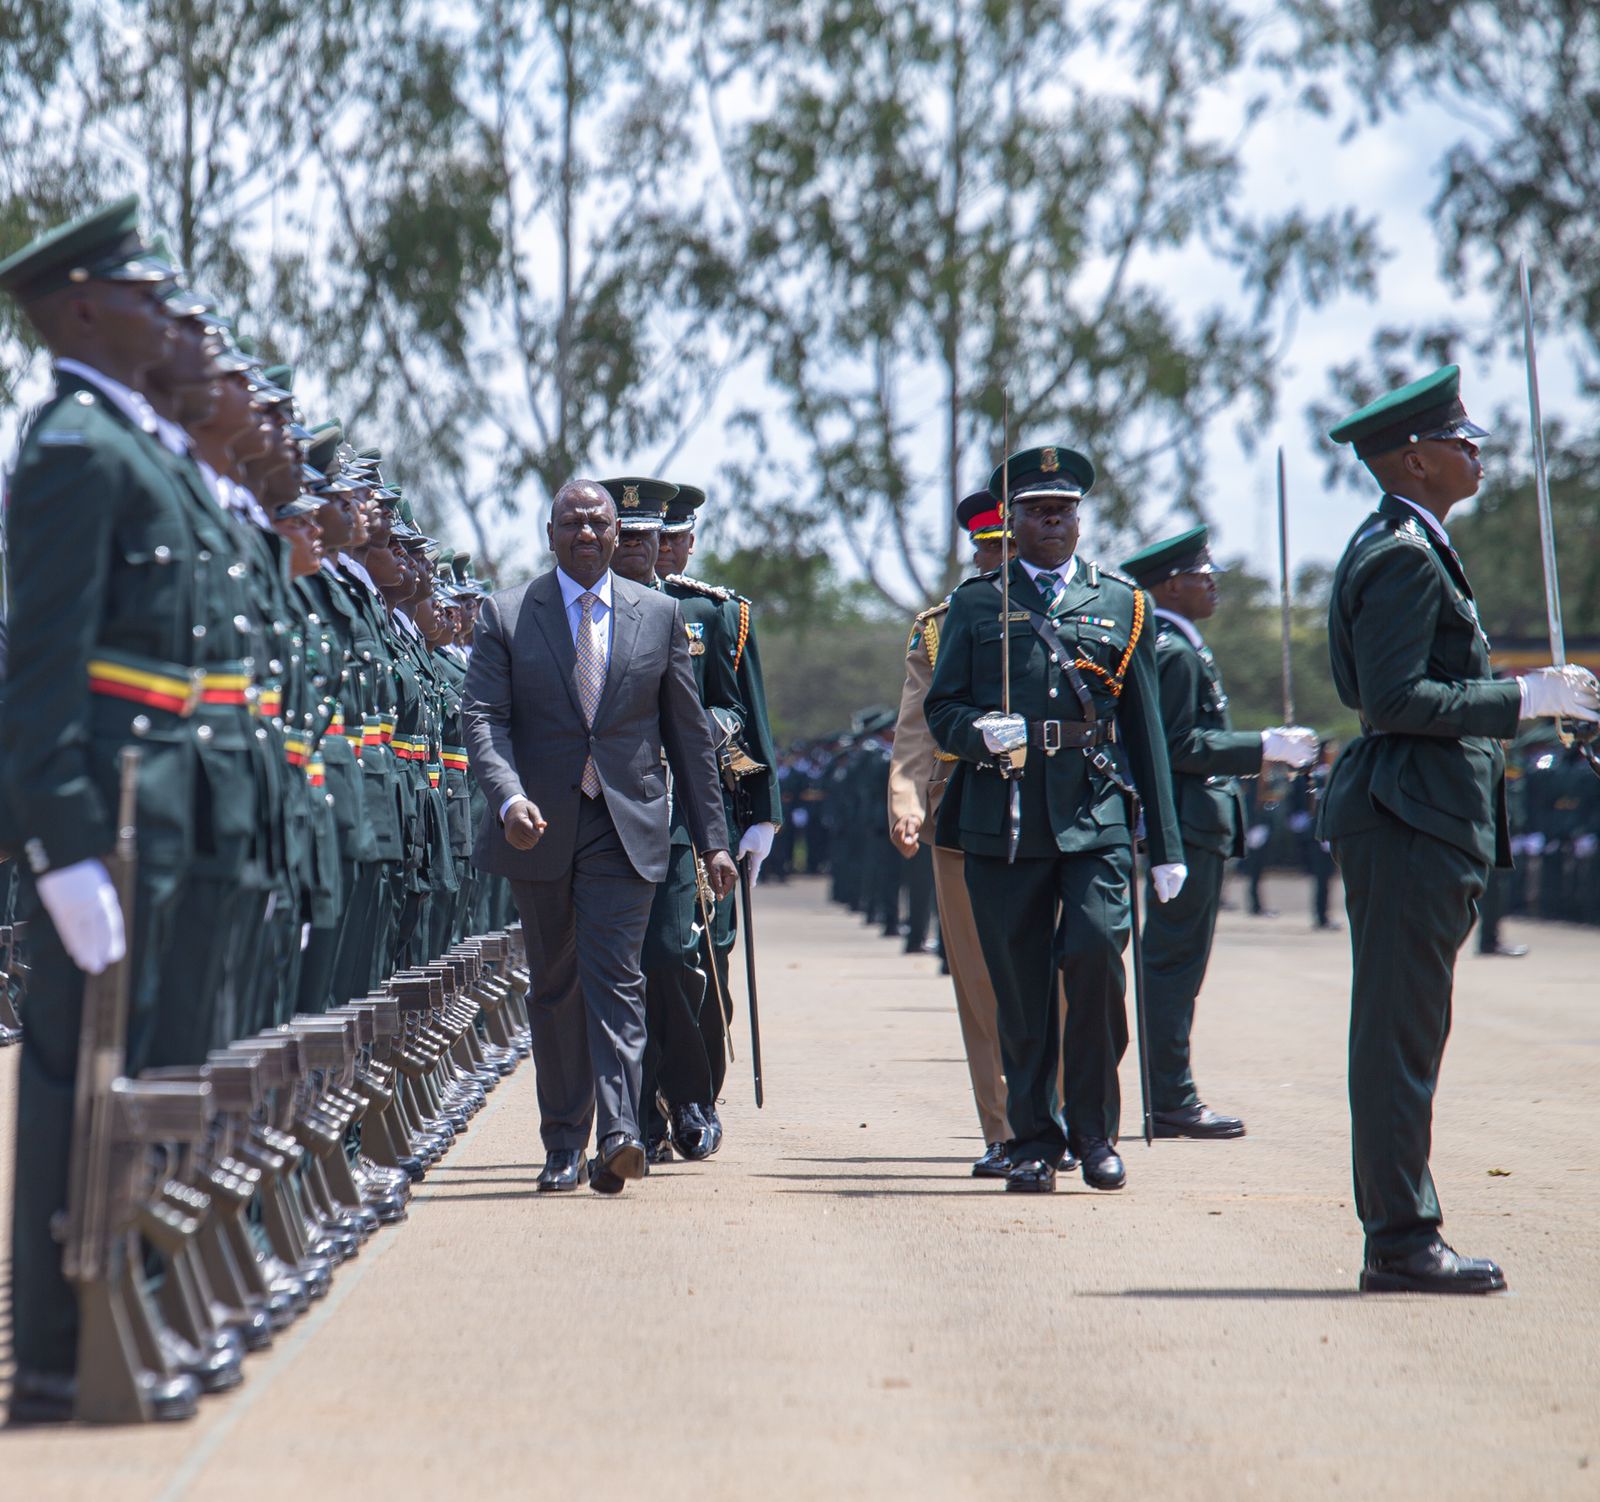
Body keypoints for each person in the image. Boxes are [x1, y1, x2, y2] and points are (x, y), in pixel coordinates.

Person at [0, 196, 251, 1423]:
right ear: (87, 307)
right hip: (108, 810)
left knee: (145, 1067)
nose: (166, 314)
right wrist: (58, 845)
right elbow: (39, 669)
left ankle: (130, 1301)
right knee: (77, 1074)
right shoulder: (74, 450)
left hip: (163, 805)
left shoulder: (134, 446)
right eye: (145, 296)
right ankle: (59, 1346)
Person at [1320, 363, 1600, 1293]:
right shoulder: (1402, 554)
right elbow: (1394, 699)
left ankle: (1400, 1228)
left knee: (1407, 1033)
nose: (1477, 454)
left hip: (1421, 813)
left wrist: (1532, 701)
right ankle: (1400, 1238)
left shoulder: (1411, 543)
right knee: (1398, 1037)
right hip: (1409, 815)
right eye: (1461, 442)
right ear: (1415, 459)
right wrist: (1520, 697)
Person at [462, 478, 736, 1195]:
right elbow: (484, 719)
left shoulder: (659, 615)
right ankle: (562, 1142)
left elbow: (690, 738)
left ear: (619, 536)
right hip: (538, 826)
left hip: (627, 825)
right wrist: (508, 797)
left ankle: (618, 1135)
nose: (585, 533)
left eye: (598, 523)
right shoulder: (507, 614)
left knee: (618, 977)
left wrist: (713, 841)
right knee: (556, 987)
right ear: (550, 533)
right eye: (572, 523)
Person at [925, 445, 1184, 1194]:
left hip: (1093, 812)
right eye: (1037, 511)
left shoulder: (1123, 603)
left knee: (1097, 955)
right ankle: (1033, 1139)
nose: (1051, 521)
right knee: (1021, 987)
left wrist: (1166, 844)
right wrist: (979, 732)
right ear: (1013, 520)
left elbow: (1146, 731)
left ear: (1079, 519)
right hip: (1002, 817)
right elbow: (941, 709)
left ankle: (1094, 1131)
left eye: (1063, 510)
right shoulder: (976, 604)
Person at [1121, 526, 1319, 1140]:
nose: (1212, 584)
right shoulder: (1174, 651)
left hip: (1195, 824)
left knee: (1178, 963)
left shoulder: (1181, 645)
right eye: (1201, 575)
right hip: (1185, 825)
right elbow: (1178, 744)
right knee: (1174, 964)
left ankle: (1170, 1095)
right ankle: (1171, 1098)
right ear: (1169, 586)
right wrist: (1261, 745)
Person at [888, 489, 1015, 1175]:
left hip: (1063, 813)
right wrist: (906, 801)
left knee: (1070, 970)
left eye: (1011, 549)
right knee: (980, 979)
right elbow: (915, 726)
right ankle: (1004, 1127)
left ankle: (1060, 1112)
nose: (1001, 562)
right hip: (962, 810)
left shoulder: (1092, 610)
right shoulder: (940, 628)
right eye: (991, 551)